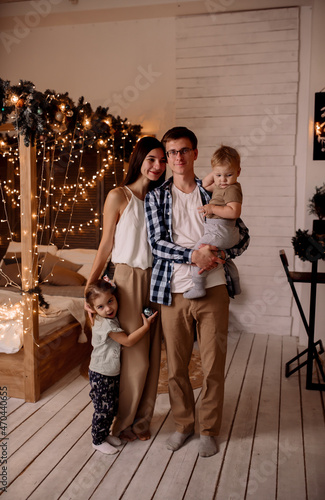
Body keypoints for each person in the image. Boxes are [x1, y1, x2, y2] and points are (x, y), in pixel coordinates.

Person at [145, 127, 249, 457]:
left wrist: (218, 255)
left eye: (184, 150)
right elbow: (156, 243)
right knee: (176, 367)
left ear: (195, 154)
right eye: (171, 152)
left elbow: (242, 235)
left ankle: (208, 429)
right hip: (173, 291)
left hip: (213, 287)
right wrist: (192, 255)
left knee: (213, 363)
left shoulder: (215, 190)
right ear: (167, 157)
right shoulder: (156, 197)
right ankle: (183, 425)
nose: (177, 157)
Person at [85, 136, 166, 442]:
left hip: (157, 278)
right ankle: (120, 425)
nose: (157, 166)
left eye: (162, 160)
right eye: (151, 159)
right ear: (139, 160)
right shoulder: (120, 196)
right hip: (128, 279)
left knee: (154, 356)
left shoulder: (160, 199)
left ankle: (141, 423)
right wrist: (89, 289)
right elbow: (106, 244)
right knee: (136, 357)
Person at [86, 278, 158, 455]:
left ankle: (104, 435)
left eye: (110, 301)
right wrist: (146, 326)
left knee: (111, 406)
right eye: (100, 307)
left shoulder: (105, 317)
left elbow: (110, 293)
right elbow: (127, 341)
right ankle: (97, 440)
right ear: (93, 309)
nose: (108, 309)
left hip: (110, 372)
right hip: (100, 372)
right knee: (103, 409)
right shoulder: (107, 324)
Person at [184, 145, 243, 300]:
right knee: (224, 259)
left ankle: (198, 287)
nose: (223, 180)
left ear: (238, 172)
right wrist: (218, 171)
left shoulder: (232, 189)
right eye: (218, 176)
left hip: (220, 231)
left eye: (228, 175)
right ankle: (236, 286)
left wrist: (212, 208)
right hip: (224, 233)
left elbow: (234, 212)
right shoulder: (221, 185)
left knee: (197, 253)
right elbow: (204, 184)